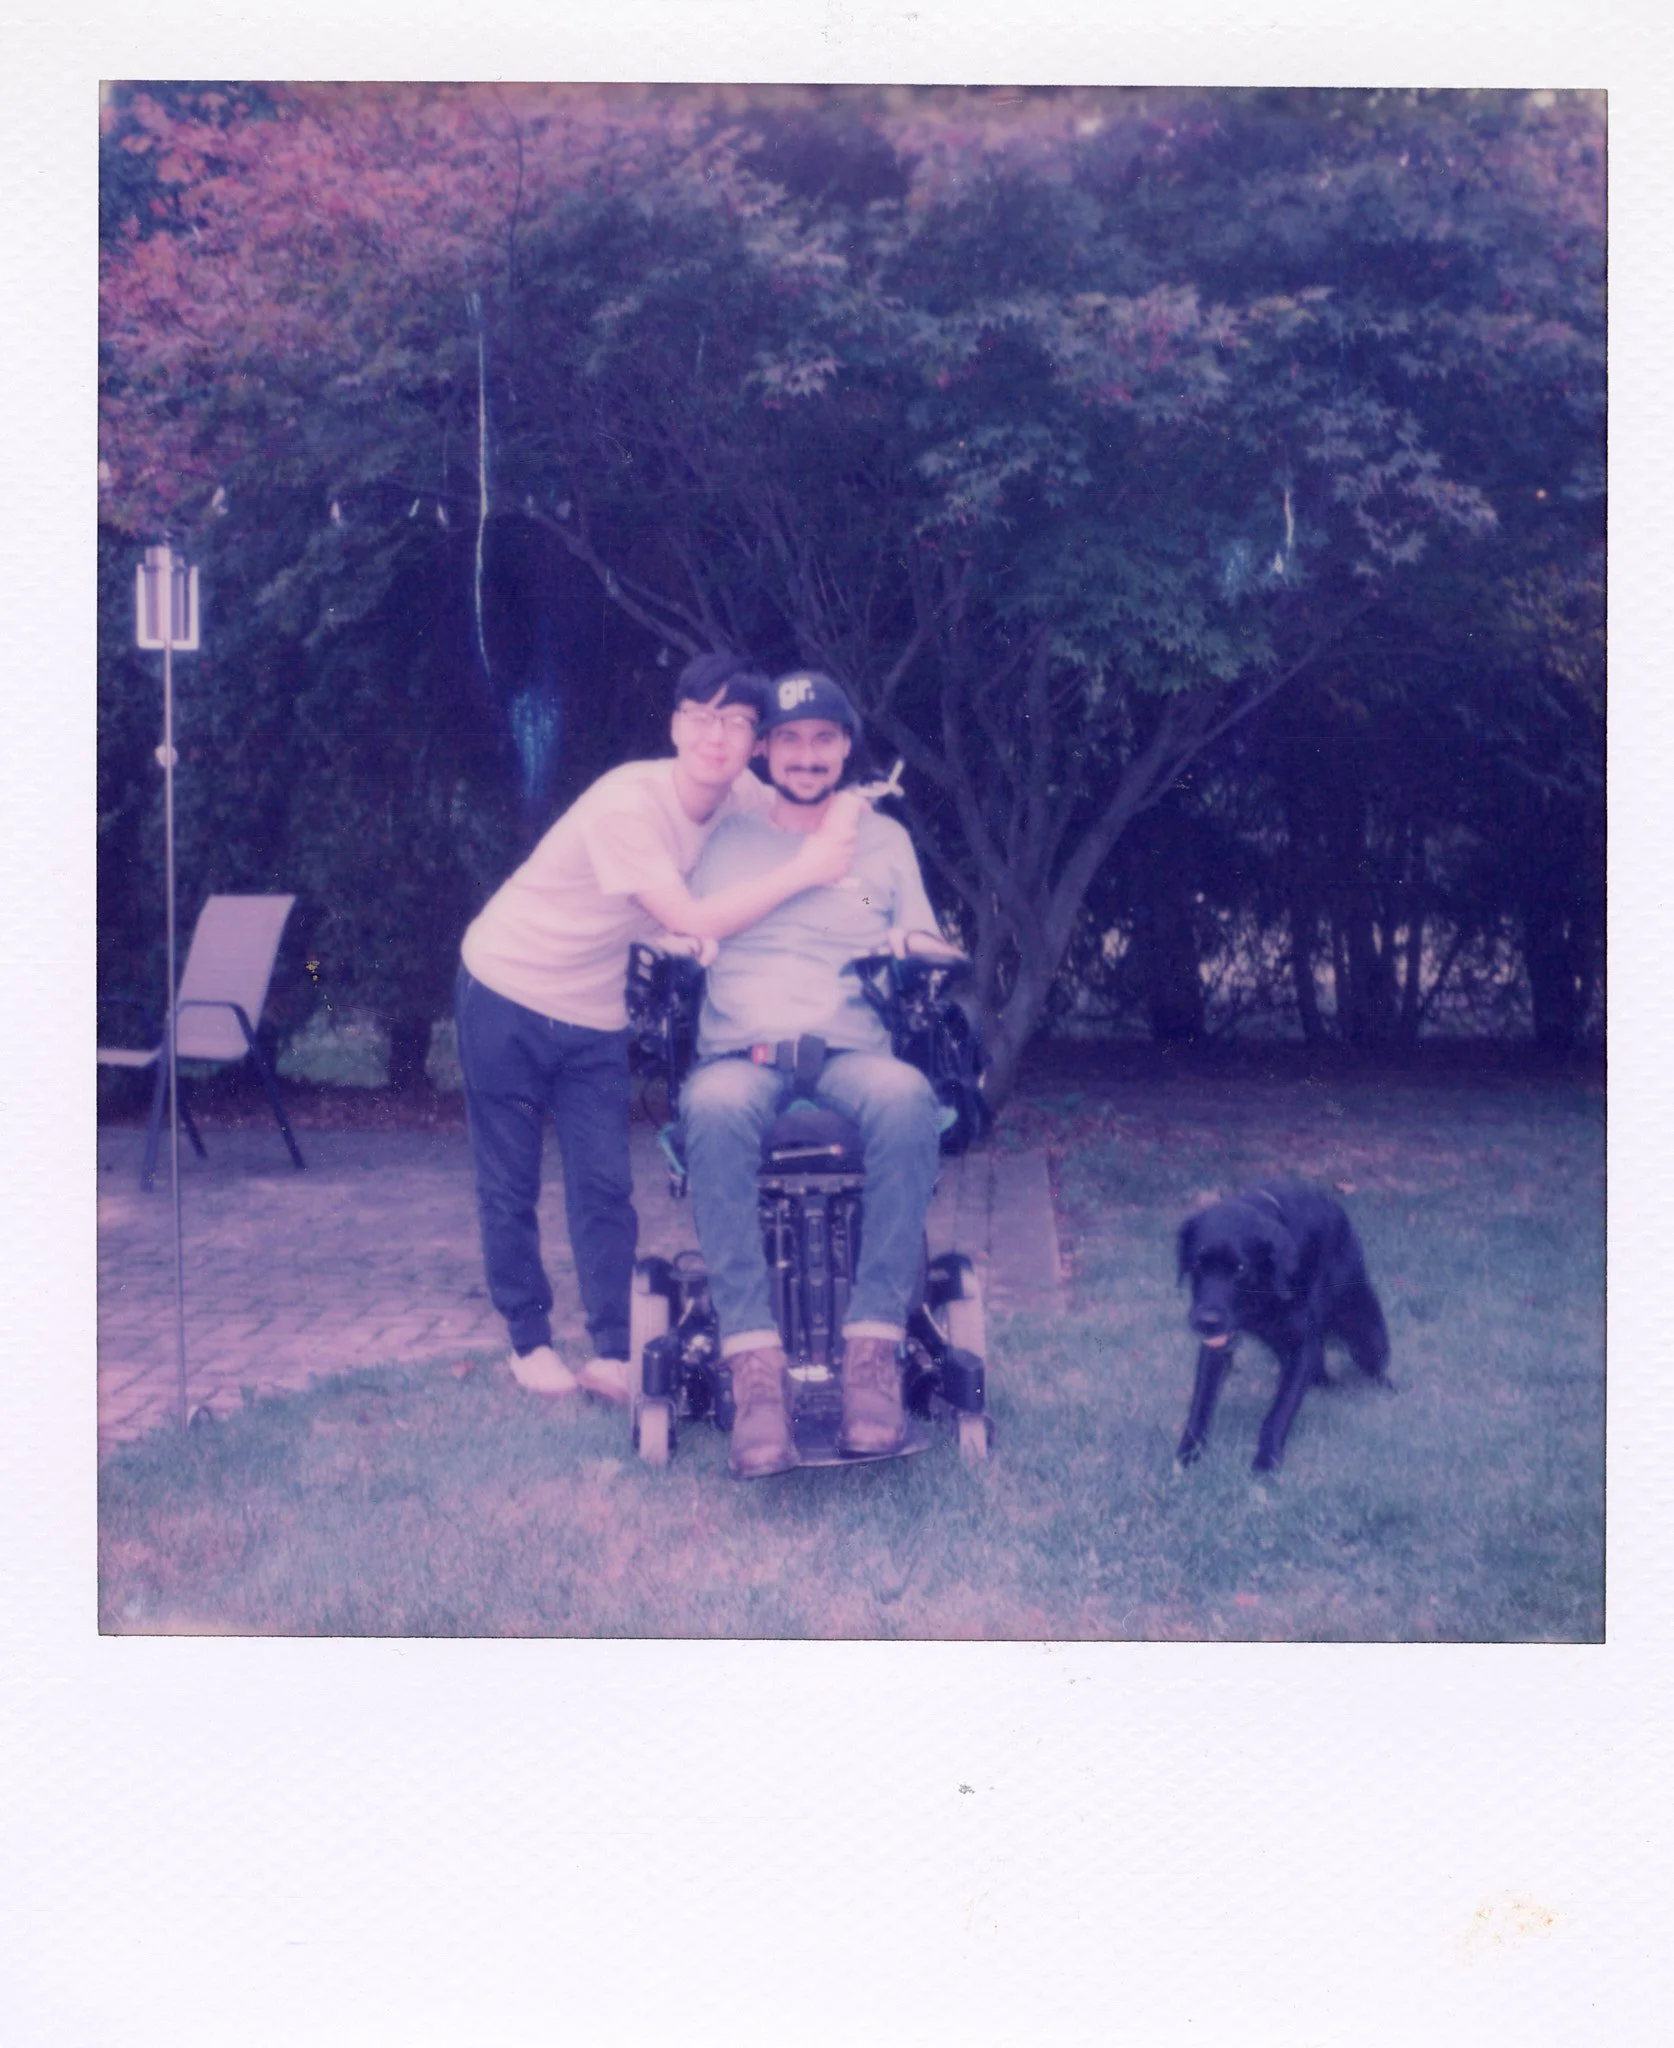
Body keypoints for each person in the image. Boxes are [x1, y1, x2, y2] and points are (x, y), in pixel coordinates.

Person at [455, 653, 858, 1405]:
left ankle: (613, 1349)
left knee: (604, 1183)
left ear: (754, 743)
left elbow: (818, 797)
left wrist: (847, 820)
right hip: (505, 985)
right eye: (703, 717)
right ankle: (528, 1339)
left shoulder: (741, 793)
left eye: (738, 722)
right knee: (508, 1182)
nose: (718, 736)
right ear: (676, 725)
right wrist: (809, 870)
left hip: (593, 1011)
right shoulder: (628, 806)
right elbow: (695, 917)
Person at [679, 670, 948, 1478]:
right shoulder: (722, 836)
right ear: (763, 751)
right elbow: (675, 923)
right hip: (743, 1051)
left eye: (822, 740)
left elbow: (925, 936)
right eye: (789, 740)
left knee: (908, 1099)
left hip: (850, 1050)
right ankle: (756, 1382)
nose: (805, 755)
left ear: (844, 749)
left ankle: (873, 1363)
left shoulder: (885, 841)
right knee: (714, 1110)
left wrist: (918, 949)